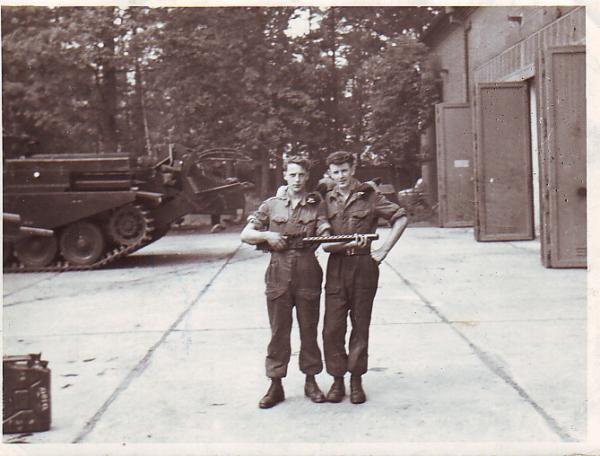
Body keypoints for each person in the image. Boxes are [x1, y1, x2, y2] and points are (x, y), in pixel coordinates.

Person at [241, 156, 330, 409]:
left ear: (307, 177)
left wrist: (326, 233)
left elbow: (324, 228)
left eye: (302, 175)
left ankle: (311, 381)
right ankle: (275, 384)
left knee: (309, 329)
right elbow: (245, 234)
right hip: (278, 271)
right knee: (279, 331)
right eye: (292, 175)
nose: (297, 180)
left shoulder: (317, 204)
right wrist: (267, 235)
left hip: (307, 269)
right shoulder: (271, 206)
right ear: (284, 176)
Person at [320, 150, 408, 404]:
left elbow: (401, 217)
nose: (341, 176)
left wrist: (384, 250)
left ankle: (356, 380)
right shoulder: (326, 198)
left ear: (353, 168)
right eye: (336, 172)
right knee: (332, 328)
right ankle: (337, 379)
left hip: (363, 265)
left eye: (345, 170)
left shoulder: (370, 196)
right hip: (336, 265)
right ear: (330, 173)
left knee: (360, 325)